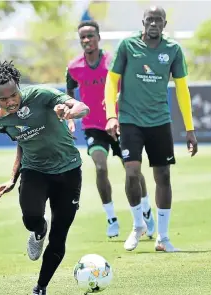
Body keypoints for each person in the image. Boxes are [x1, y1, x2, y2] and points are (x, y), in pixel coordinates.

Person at [0, 61, 89, 295]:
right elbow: (23, 139)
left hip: (69, 171)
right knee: (31, 218)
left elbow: (81, 106)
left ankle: (40, 289)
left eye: (13, 95)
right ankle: (39, 231)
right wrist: (12, 178)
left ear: (19, 87)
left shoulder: (41, 95)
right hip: (35, 171)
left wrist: (71, 112)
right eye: (3, 99)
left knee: (60, 236)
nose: (10, 102)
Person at [105, 6, 198, 252]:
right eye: (150, 20)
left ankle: (163, 238)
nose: (153, 24)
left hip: (159, 121)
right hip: (130, 120)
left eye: (158, 20)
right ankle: (138, 225)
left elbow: (182, 89)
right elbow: (112, 80)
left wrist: (190, 128)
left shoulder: (173, 50)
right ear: (143, 22)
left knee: (163, 176)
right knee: (132, 172)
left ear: (165, 24)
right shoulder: (127, 45)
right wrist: (111, 115)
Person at [66, 20, 154, 239]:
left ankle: (146, 212)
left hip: (120, 122)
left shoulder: (113, 61)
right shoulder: (74, 67)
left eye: (91, 36)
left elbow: (130, 87)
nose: (87, 40)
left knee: (132, 171)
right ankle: (111, 218)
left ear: (99, 37)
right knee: (100, 167)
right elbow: (69, 94)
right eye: (83, 37)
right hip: (93, 127)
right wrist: (70, 116)